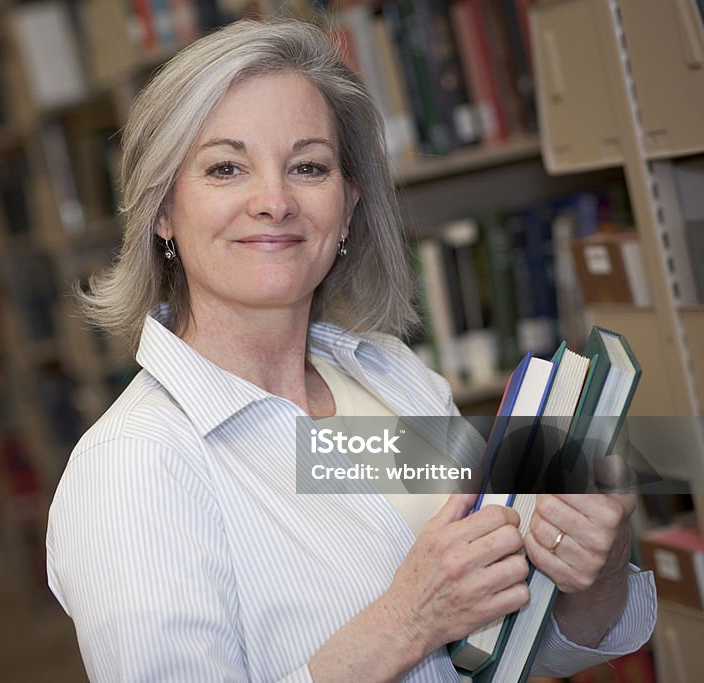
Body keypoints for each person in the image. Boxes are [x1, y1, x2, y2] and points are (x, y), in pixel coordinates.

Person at [46, 18, 656, 682]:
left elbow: (506, 650)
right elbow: (428, 621)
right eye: (226, 168)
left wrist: (592, 572)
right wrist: (405, 622)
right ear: (163, 210)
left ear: (347, 204)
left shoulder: (393, 376)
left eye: (308, 166)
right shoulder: (131, 467)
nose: (274, 201)